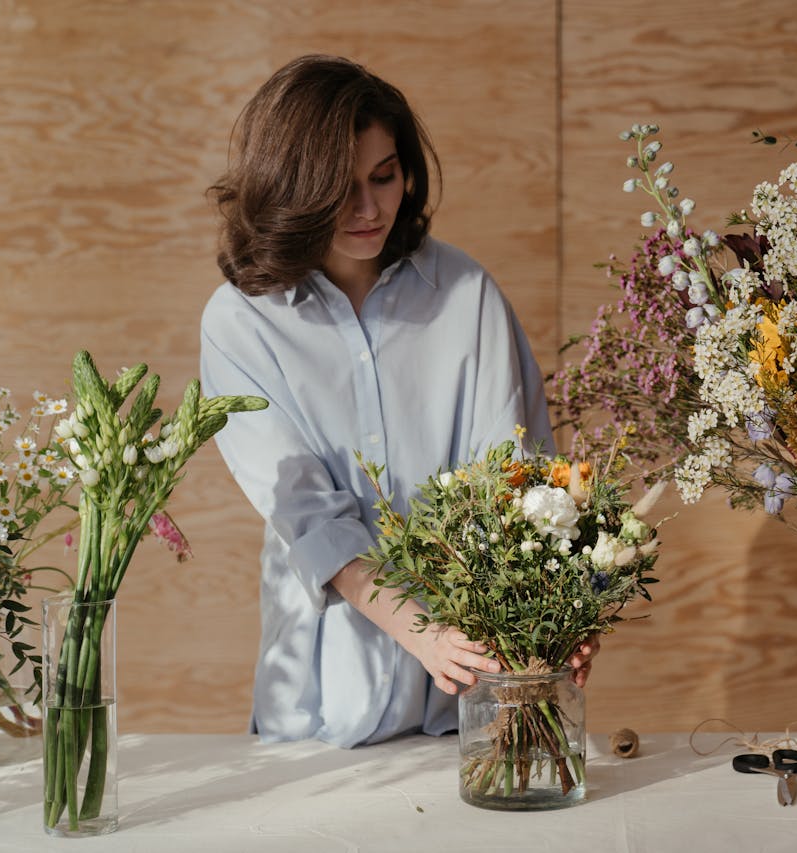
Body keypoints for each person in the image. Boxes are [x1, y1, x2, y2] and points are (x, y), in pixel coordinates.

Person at [200, 54, 597, 747]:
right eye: (339, 188)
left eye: (383, 176)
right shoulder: (240, 322)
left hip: (465, 709)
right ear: (293, 191)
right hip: (321, 712)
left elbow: (519, 486)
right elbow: (312, 520)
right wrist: (429, 636)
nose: (368, 208)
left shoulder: (465, 296)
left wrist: (556, 617)